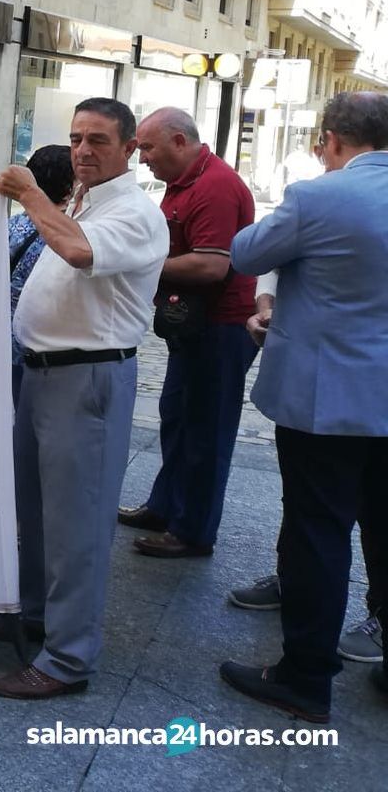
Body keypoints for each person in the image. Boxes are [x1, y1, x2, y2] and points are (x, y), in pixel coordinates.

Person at [0, 98, 168, 699]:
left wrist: (33, 194)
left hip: (85, 377)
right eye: (77, 139)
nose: (84, 151)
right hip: (43, 372)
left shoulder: (135, 212)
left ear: (130, 149)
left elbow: (80, 252)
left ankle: (66, 659)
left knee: (77, 522)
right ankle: (38, 616)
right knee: (37, 510)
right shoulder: (87, 198)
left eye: (98, 141)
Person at [219, 92, 388, 723]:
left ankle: (305, 674)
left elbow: (244, 254)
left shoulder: (322, 195)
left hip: (330, 398)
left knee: (317, 529)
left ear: (333, 139)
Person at [228, 269, 387, 666]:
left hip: (368, 372)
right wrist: (268, 306)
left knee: (375, 509)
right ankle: (295, 584)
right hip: (324, 371)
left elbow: (255, 248)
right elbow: (274, 260)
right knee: (306, 500)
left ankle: (381, 616)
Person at [117, 109, 257, 560]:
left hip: (220, 329)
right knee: (178, 417)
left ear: (179, 141)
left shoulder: (215, 186)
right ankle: (165, 507)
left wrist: (139, 266)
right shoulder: (185, 181)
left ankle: (193, 531)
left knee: (206, 430)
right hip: (195, 327)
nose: (143, 157)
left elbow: (212, 265)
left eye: (148, 147)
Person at [8, 145, 74, 393]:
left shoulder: (12, 225)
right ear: (69, 189)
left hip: (5, 341)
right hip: (42, 346)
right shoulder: (67, 235)